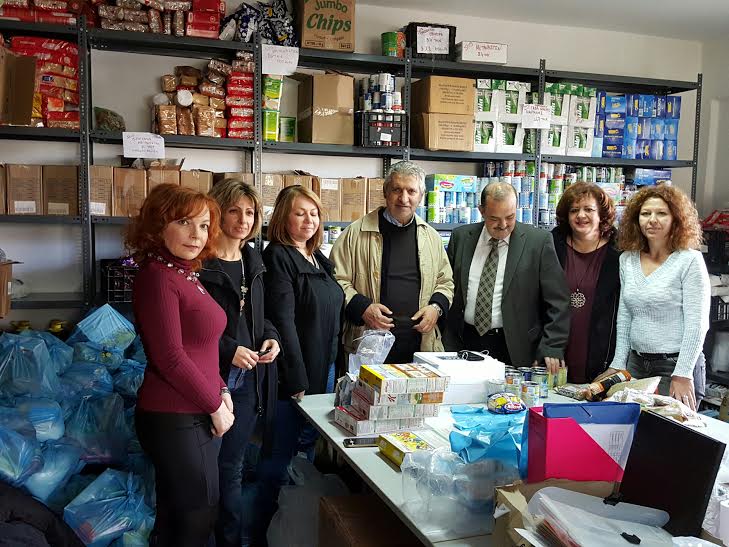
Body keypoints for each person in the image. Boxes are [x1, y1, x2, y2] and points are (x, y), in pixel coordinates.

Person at [126, 184, 234, 547]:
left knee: (180, 516)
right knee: (196, 517)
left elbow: (203, 347)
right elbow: (170, 357)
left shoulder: (184, 272)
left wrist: (221, 388)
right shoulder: (158, 277)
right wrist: (215, 404)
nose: (196, 234)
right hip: (174, 416)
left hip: (195, 409)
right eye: (184, 222)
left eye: (203, 226)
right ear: (159, 225)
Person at [198, 179, 281, 547]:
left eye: (250, 212)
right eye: (233, 211)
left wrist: (272, 336)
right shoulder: (202, 262)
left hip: (247, 381)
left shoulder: (253, 260)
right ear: (218, 213)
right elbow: (190, 327)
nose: (243, 219)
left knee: (231, 467)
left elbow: (261, 316)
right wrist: (228, 349)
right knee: (207, 470)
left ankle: (229, 540)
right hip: (209, 379)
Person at [258, 185, 344, 538]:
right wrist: (296, 378)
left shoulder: (316, 256)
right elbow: (283, 321)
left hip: (322, 367)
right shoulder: (279, 257)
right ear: (283, 217)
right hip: (294, 376)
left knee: (305, 448)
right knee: (279, 455)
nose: (309, 220)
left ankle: (296, 524)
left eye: (314, 213)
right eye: (299, 213)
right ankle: (265, 529)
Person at [331, 161, 454, 363]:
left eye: (411, 191)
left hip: (420, 346)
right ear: (385, 192)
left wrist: (436, 308)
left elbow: (445, 282)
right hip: (369, 342)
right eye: (397, 190)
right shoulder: (355, 233)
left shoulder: (431, 237)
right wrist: (362, 308)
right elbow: (335, 280)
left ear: (421, 196)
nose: (403, 198)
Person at [445, 182, 570, 369]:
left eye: (510, 217)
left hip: (514, 347)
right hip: (464, 342)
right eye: (494, 218)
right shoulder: (461, 237)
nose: (503, 225)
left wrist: (552, 345)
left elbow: (558, 301)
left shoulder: (538, 242)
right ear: (481, 211)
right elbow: (448, 287)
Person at [607, 184, 710, 410]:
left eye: (662, 213)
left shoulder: (689, 260)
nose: (652, 220)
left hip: (675, 366)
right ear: (636, 220)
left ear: (676, 219)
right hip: (636, 364)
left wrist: (683, 373)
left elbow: (698, 323)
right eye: (646, 213)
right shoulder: (627, 259)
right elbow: (625, 316)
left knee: (668, 431)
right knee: (632, 429)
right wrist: (618, 364)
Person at [552, 182, 621, 383]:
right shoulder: (552, 245)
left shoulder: (620, 252)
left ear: (602, 215)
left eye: (589, 209)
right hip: (555, 351)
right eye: (574, 210)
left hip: (602, 351)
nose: (581, 215)